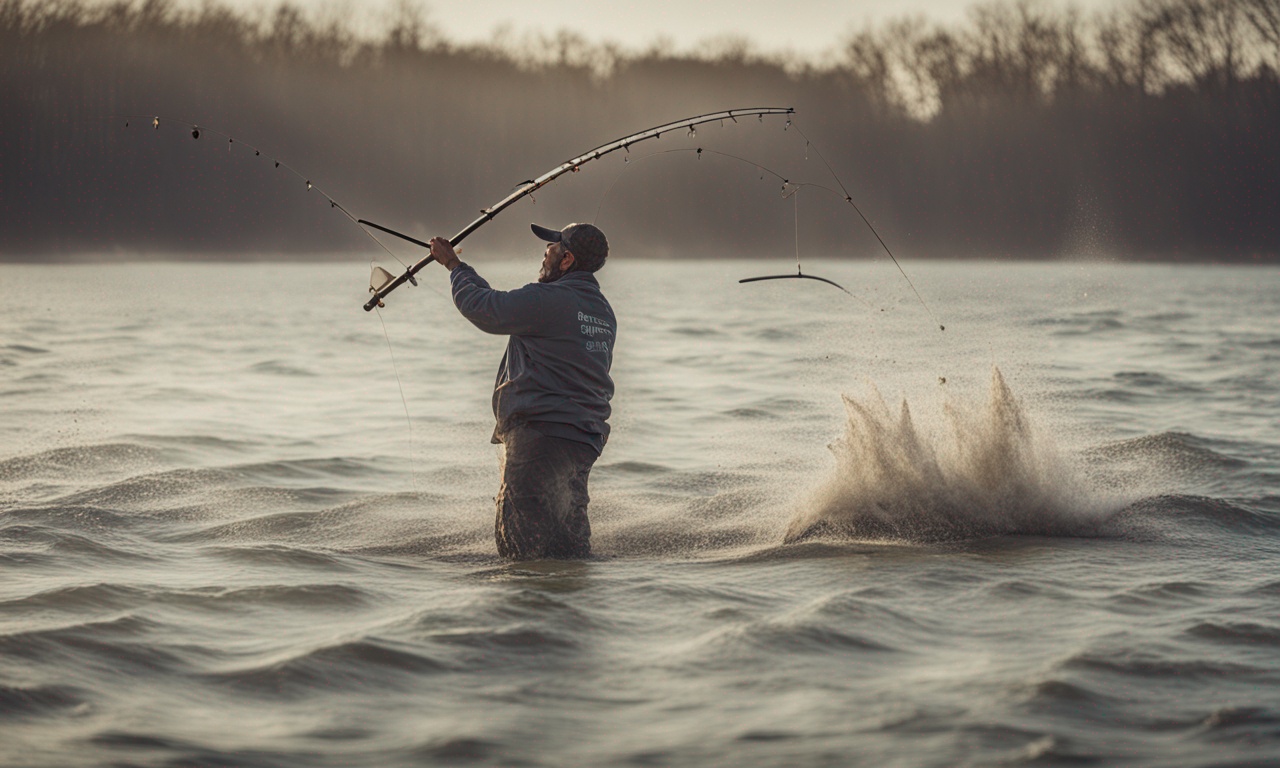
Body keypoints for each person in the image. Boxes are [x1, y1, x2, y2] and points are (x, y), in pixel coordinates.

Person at [428, 223, 615, 560]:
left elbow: (484, 307)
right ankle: (573, 608)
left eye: (553, 247)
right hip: (583, 441)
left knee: (520, 547)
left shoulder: (550, 299)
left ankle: (526, 609)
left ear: (567, 259)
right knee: (568, 544)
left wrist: (454, 266)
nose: (545, 252)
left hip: (541, 437)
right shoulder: (602, 310)